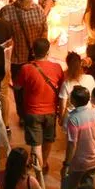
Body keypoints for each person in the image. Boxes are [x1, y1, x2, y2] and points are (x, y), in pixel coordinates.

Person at [14, 38, 63, 167]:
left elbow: (17, 86)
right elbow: (61, 87)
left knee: (36, 145)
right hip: (51, 111)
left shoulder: (26, 69)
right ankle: (44, 163)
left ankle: (37, 170)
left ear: (33, 52)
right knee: (48, 140)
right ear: (48, 52)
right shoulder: (57, 68)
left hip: (32, 111)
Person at [60, 85, 95, 189]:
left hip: (79, 162)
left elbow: (72, 144)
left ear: (74, 100)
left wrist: (66, 164)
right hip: (94, 159)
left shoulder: (73, 119)